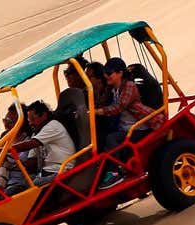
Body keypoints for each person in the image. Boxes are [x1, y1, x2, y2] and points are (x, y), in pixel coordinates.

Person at [94, 57, 167, 189]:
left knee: (111, 138)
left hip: (141, 127)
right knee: (103, 138)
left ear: (120, 73)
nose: (106, 76)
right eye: (105, 74)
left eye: (109, 73)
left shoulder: (129, 86)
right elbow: (103, 103)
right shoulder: (113, 90)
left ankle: (115, 172)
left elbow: (120, 107)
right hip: (127, 129)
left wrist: (99, 111)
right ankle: (107, 171)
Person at [1, 100, 75, 194]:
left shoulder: (52, 126)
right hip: (46, 172)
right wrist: (9, 163)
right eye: (29, 120)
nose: (30, 123)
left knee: (34, 183)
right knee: (17, 187)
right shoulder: (37, 133)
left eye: (33, 119)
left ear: (43, 115)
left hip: (61, 171)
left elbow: (32, 144)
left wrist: (7, 149)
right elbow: (31, 161)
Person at [54, 63, 90, 150]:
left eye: (70, 73)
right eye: (66, 73)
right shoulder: (70, 95)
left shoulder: (88, 92)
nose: (68, 77)